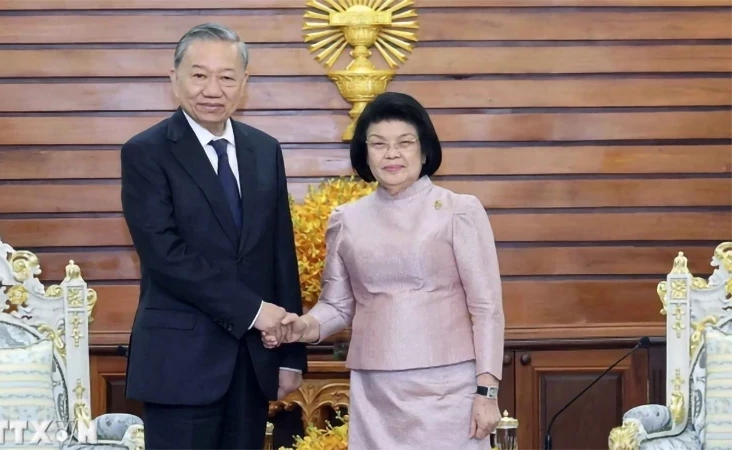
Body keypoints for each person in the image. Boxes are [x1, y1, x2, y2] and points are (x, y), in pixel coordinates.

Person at [262, 91, 505, 449]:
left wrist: (487, 390)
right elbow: (338, 306)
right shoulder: (347, 219)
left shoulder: (459, 211)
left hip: (449, 386)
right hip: (375, 389)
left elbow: (487, 308)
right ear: (364, 153)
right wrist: (302, 327)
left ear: (424, 150)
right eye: (378, 144)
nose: (392, 154)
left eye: (405, 143)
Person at [120, 23, 307, 450]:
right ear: (175, 79)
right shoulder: (146, 152)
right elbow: (164, 255)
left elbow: (280, 252)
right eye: (199, 75)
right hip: (180, 362)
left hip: (253, 362)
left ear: (244, 83)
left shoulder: (264, 149)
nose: (212, 89)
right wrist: (255, 311)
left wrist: (291, 354)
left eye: (226, 77)